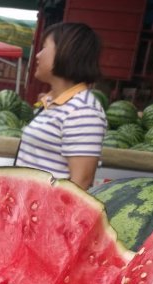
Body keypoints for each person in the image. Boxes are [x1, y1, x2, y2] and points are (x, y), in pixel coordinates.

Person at [15, 22, 106, 190]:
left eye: (44, 48)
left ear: (66, 52)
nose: (37, 55)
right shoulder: (51, 103)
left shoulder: (83, 111)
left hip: (45, 213)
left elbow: (80, 183)